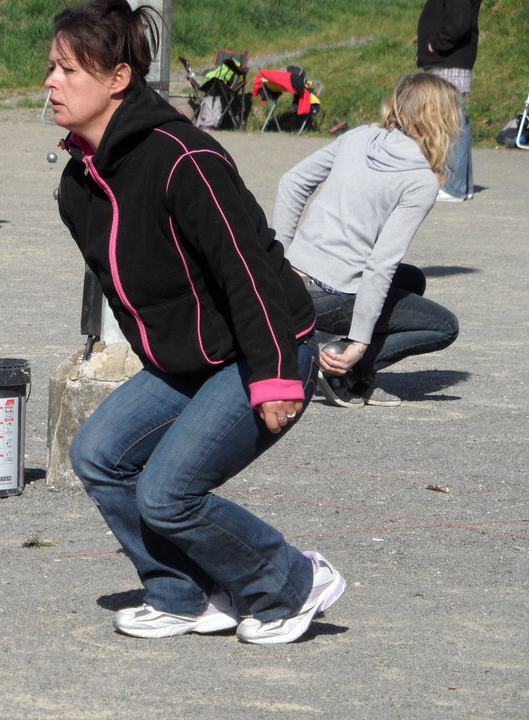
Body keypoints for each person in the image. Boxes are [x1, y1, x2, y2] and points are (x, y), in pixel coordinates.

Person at [49, 0, 344, 645]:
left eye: (70, 70)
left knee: (167, 493)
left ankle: (294, 581)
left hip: (264, 349)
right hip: (190, 362)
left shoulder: (184, 158)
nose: (52, 83)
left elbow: (251, 273)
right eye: (52, 68)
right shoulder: (80, 183)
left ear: (118, 78)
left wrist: (272, 378)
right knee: (97, 454)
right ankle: (185, 594)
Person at [272, 73, 461, 408]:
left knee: (412, 279)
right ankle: (334, 359)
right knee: (444, 326)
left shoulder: (358, 136)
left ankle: (346, 367)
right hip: (331, 293)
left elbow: (291, 182)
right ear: (442, 119)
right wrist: (358, 345)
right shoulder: (420, 181)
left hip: (292, 279)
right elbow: (380, 265)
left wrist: (281, 259)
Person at [417, 0, 481, 202]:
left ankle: (454, 186)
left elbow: (459, 22)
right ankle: (462, 185)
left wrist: (436, 43)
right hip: (450, 59)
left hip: (449, 60)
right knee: (457, 121)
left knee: (450, 122)